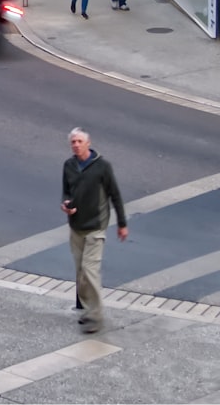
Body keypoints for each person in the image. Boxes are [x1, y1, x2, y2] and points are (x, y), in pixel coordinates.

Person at [61, 127, 127, 334]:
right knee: (81, 274)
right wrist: (65, 204)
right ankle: (89, 310)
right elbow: (66, 190)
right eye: (73, 142)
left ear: (88, 143)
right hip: (76, 227)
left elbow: (115, 195)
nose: (76, 145)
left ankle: (96, 316)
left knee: (90, 271)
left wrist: (122, 224)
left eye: (80, 141)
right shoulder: (69, 165)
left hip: (96, 227)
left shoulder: (102, 167)